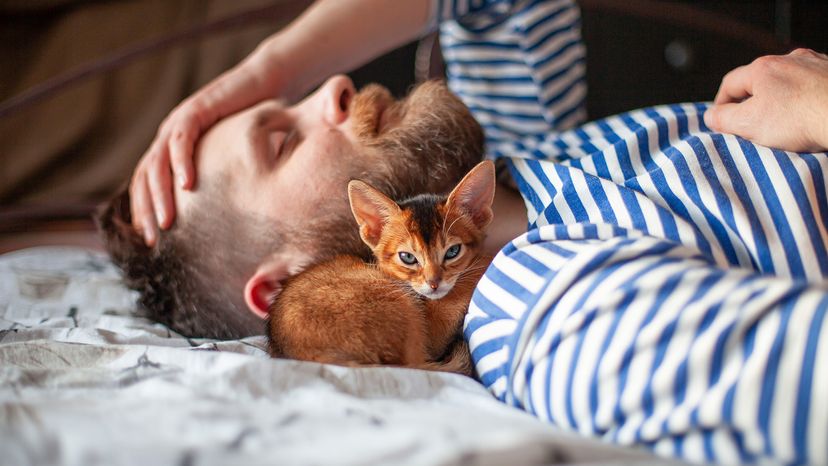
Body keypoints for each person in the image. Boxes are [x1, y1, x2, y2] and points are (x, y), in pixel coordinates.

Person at [101, 0, 828, 463]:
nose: (336, 88)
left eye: (289, 100)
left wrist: (265, 68)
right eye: (283, 140)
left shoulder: (505, 159)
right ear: (286, 280)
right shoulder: (552, 308)